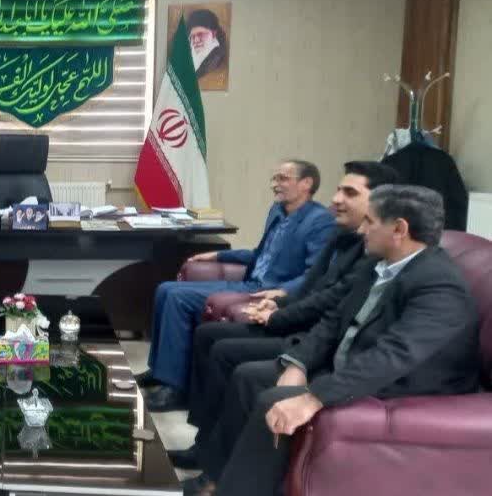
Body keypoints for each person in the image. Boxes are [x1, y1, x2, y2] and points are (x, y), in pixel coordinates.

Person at [188, 185, 480, 496]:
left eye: (370, 221)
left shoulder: (440, 285)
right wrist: (298, 363)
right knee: (250, 377)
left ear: (399, 229)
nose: (362, 230)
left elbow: (392, 356)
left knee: (274, 398)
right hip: (350, 362)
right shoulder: (379, 264)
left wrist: (314, 396)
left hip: (402, 386)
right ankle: (216, 478)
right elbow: (333, 321)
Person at [172, 161, 398, 469]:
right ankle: (205, 440)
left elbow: (332, 300)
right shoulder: (341, 233)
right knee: (208, 335)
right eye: (338, 190)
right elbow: (313, 285)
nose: (336, 200)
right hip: (304, 324)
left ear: (380, 202)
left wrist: (279, 317)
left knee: (228, 355)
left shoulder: (373, 250)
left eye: (350, 193)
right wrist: (279, 304)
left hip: (310, 335)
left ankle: (214, 460)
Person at [142, 160, 335, 411]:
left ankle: (175, 390)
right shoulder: (277, 212)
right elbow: (260, 254)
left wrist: (284, 291)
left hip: (266, 290)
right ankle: (161, 371)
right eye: (275, 178)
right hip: (249, 282)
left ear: (306, 183)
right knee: (165, 289)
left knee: (177, 297)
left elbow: (316, 273)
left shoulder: (319, 221)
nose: (275, 184)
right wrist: (218, 255)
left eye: (283, 178)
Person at [186, 8, 227, 79]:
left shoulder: (217, 58)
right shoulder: (188, 55)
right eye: (193, 36)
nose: (196, 40)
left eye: (200, 34)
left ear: (213, 34)